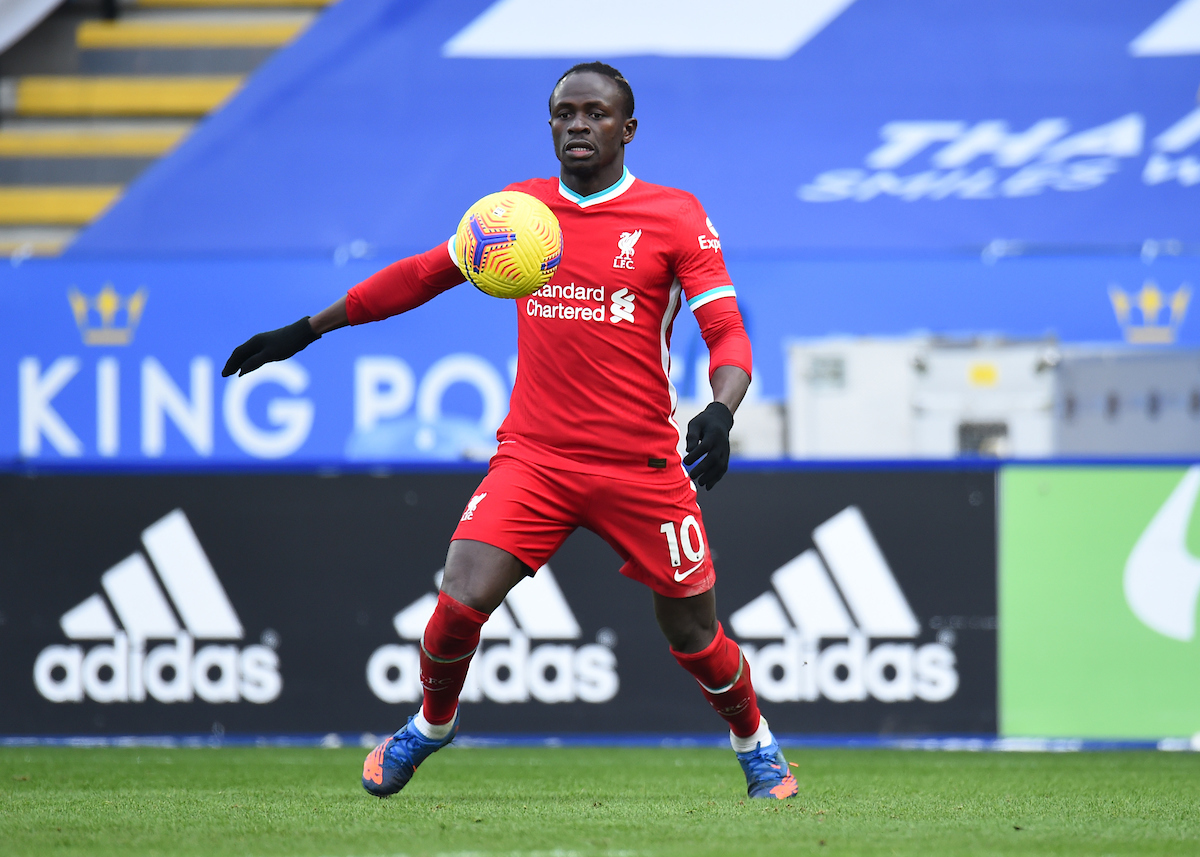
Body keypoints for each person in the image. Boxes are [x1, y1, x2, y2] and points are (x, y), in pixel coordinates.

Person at [223, 62, 798, 802]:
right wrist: (307, 328)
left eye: (595, 114)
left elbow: (726, 329)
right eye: (564, 113)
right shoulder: (515, 215)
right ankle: (431, 724)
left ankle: (755, 743)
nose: (578, 125)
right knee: (456, 601)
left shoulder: (674, 216)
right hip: (537, 457)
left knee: (692, 634)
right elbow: (424, 273)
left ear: (627, 129)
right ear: (550, 125)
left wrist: (721, 407)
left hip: (642, 464)